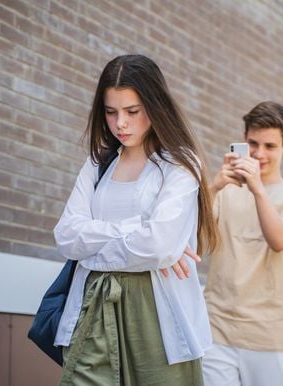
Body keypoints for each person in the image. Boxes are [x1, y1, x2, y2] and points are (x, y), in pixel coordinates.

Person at [53, 54, 219, 386]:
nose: (121, 124)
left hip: (156, 313)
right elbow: (67, 236)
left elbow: (159, 245)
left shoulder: (180, 164)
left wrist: (100, 243)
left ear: (155, 106)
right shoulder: (97, 163)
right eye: (111, 112)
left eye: (132, 111)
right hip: (93, 306)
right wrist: (139, 230)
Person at [202, 101, 283, 386]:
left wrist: (257, 189)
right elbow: (194, 243)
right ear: (243, 139)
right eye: (253, 143)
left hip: (271, 336)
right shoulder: (222, 190)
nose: (259, 154)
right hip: (216, 330)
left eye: (270, 146)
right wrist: (213, 188)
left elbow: (279, 241)